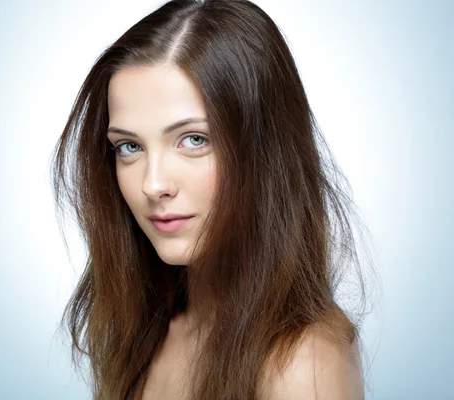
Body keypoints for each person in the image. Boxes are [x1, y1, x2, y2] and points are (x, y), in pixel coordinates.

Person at [52, 0, 372, 398]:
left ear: (266, 152)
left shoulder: (301, 362)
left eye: (194, 140)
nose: (153, 184)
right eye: (129, 147)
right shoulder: (144, 330)